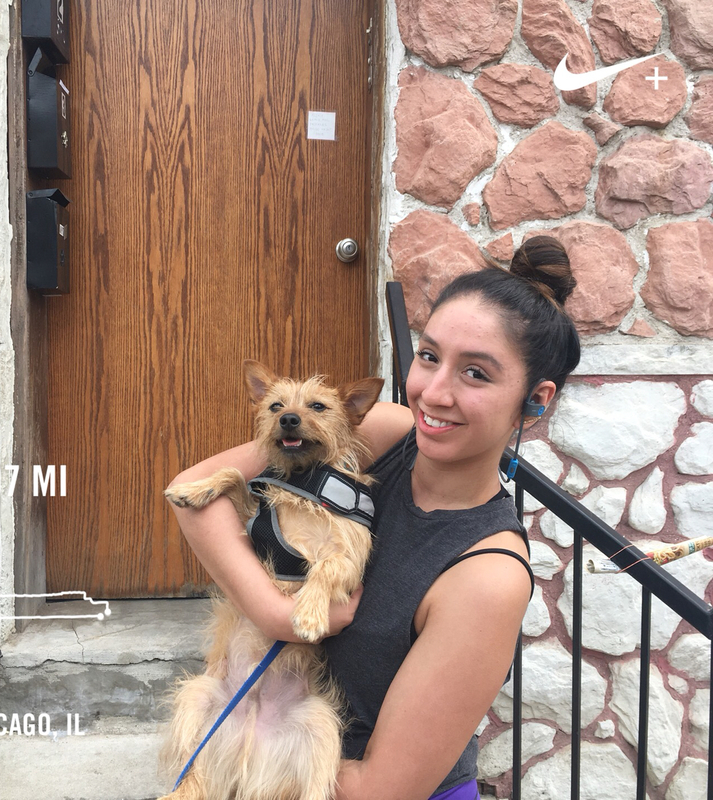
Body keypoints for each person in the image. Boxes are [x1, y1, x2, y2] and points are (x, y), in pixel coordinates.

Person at [166, 235, 581, 800]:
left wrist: (236, 758)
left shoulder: (488, 577)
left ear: (535, 400)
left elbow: (376, 789)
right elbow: (192, 493)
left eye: (476, 374)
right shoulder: (384, 434)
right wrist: (275, 614)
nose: (433, 393)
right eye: (429, 357)